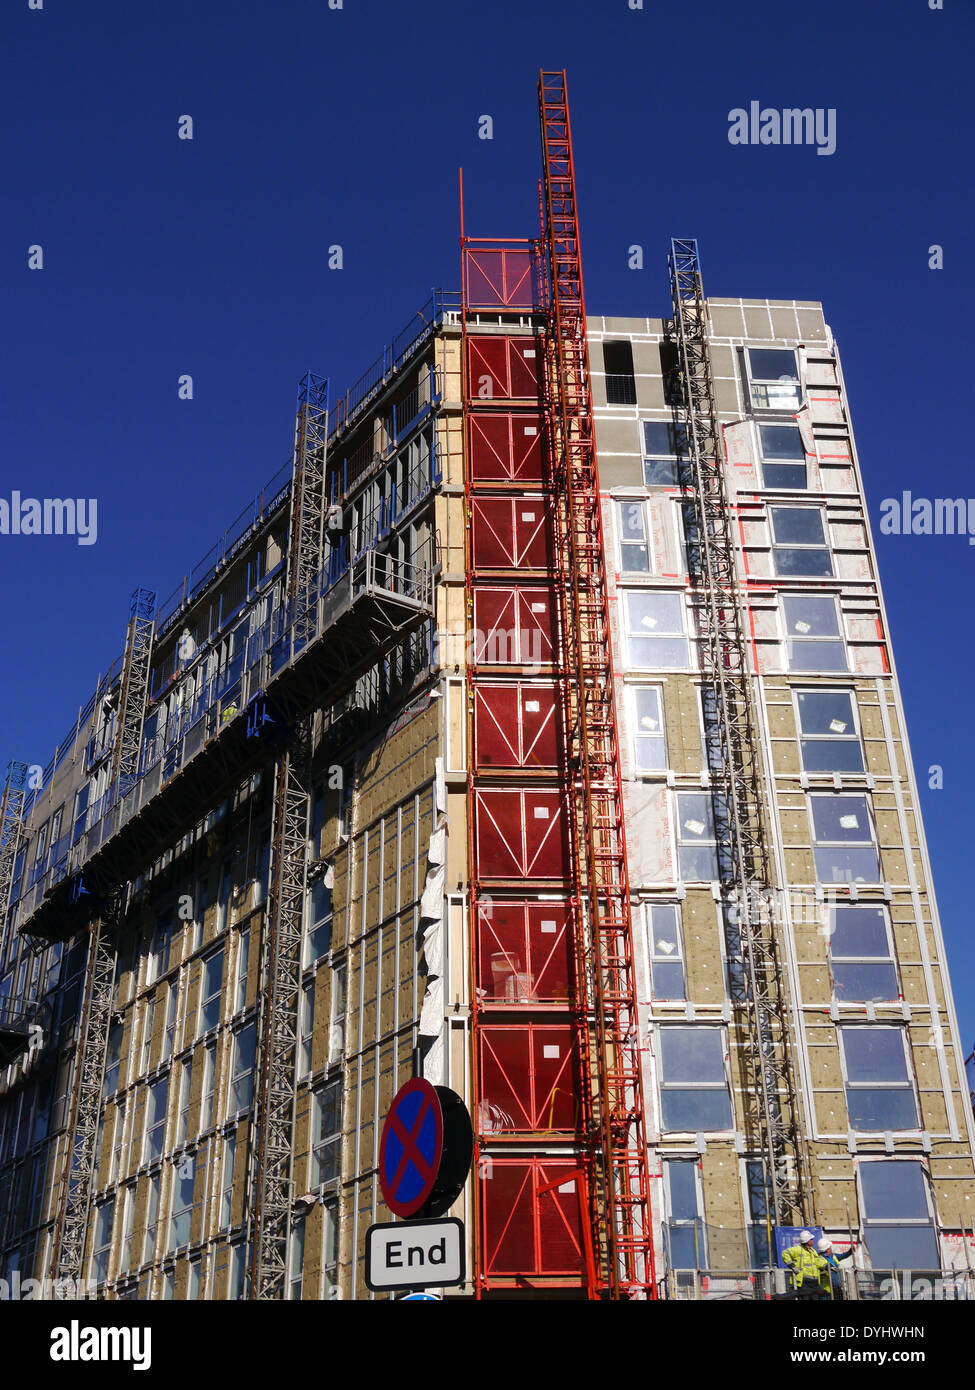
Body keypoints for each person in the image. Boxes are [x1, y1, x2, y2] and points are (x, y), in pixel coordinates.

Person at [781, 1230, 829, 1299]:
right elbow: (785, 1253)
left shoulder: (812, 1251)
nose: (812, 1240)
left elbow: (818, 1261)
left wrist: (826, 1266)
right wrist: (792, 1266)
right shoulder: (798, 1249)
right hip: (804, 1282)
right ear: (807, 1241)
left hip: (814, 1281)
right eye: (811, 1239)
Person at [818, 1236, 855, 1300]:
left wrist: (850, 1252)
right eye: (830, 1247)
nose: (831, 1248)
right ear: (827, 1249)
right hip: (827, 1291)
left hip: (837, 1288)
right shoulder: (819, 1259)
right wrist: (827, 1267)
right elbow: (823, 1266)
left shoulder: (833, 1256)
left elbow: (842, 1256)